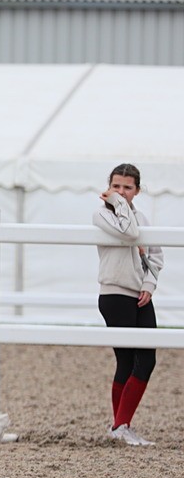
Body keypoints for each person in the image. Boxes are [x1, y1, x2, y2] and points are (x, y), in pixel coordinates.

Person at [93, 163, 163, 445]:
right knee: (126, 359)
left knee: (147, 359)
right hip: (115, 294)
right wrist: (118, 203)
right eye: (116, 186)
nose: (121, 192)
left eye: (127, 188)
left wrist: (149, 285)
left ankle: (121, 425)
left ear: (138, 190)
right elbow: (130, 233)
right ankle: (120, 426)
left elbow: (156, 255)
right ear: (109, 187)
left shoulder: (142, 217)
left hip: (140, 294)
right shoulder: (100, 214)